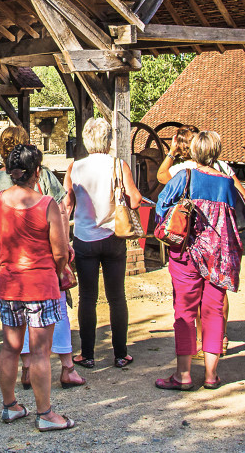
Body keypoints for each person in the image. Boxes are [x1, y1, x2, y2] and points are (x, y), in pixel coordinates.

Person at [0, 125, 82, 390]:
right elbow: (60, 222)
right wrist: (60, 267)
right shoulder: (44, 189)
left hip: (10, 278)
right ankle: (60, 380)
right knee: (49, 334)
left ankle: (12, 399)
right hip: (41, 276)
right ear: (35, 170)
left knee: (10, 346)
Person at [155, 131, 243, 390]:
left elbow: (162, 206)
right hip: (218, 256)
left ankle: (183, 375)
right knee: (213, 311)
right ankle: (211, 375)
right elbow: (235, 215)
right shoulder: (227, 182)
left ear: (193, 152)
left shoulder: (185, 176)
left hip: (186, 254)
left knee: (184, 311)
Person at [64, 117, 142, 370]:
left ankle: (87, 354)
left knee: (87, 298)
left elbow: (67, 204)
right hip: (113, 236)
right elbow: (136, 199)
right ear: (108, 140)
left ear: (86, 140)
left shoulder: (74, 167)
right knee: (116, 297)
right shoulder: (118, 165)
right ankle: (121, 354)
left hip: (85, 238)